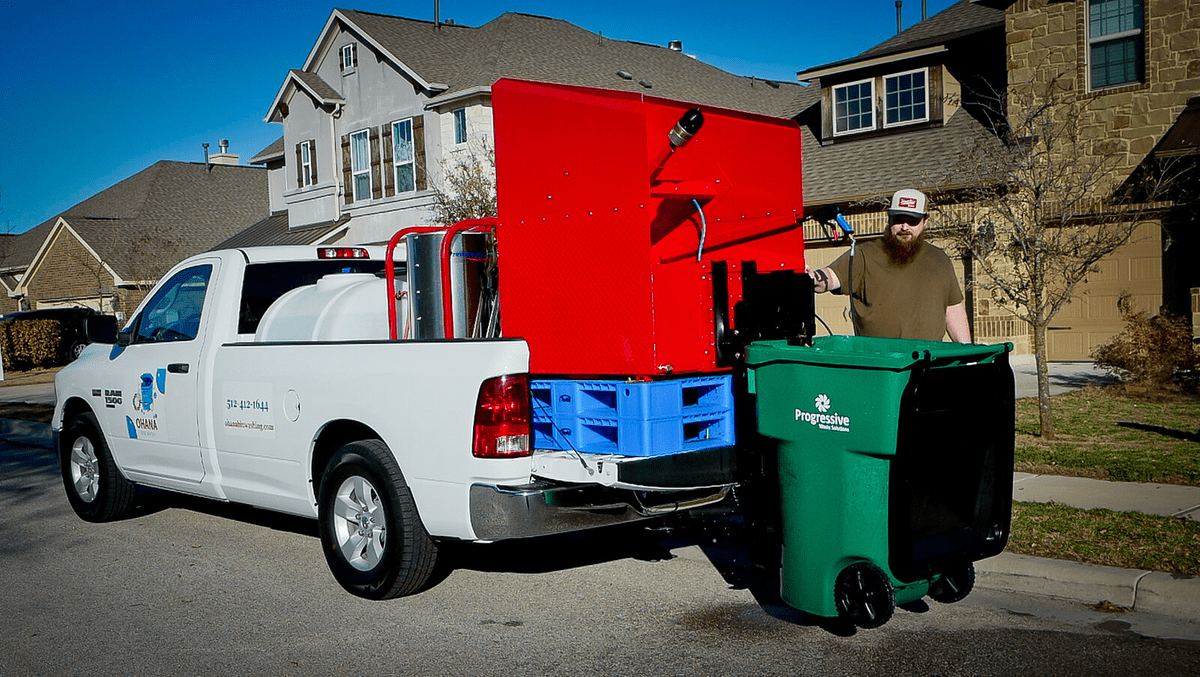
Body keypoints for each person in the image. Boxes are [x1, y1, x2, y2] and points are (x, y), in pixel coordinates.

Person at [808, 189, 972, 343]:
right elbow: (831, 276)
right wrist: (812, 278)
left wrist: (968, 355)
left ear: (925, 221)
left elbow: (952, 310)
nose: (904, 227)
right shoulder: (864, 255)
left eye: (912, 221)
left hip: (928, 363)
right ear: (889, 218)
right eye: (899, 220)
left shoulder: (939, 259)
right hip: (880, 363)